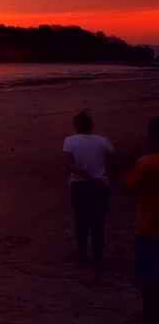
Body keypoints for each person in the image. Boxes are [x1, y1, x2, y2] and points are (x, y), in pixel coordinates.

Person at [63, 111, 115, 266]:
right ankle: (98, 257)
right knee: (98, 221)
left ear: (75, 126)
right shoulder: (103, 141)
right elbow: (113, 163)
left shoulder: (70, 141)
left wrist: (87, 175)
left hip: (79, 185)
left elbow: (68, 164)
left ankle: (81, 252)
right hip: (100, 185)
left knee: (81, 219)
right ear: (91, 125)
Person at [125, 116, 159, 322]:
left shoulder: (146, 162)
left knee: (147, 276)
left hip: (150, 229)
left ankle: (150, 314)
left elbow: (129, 189)